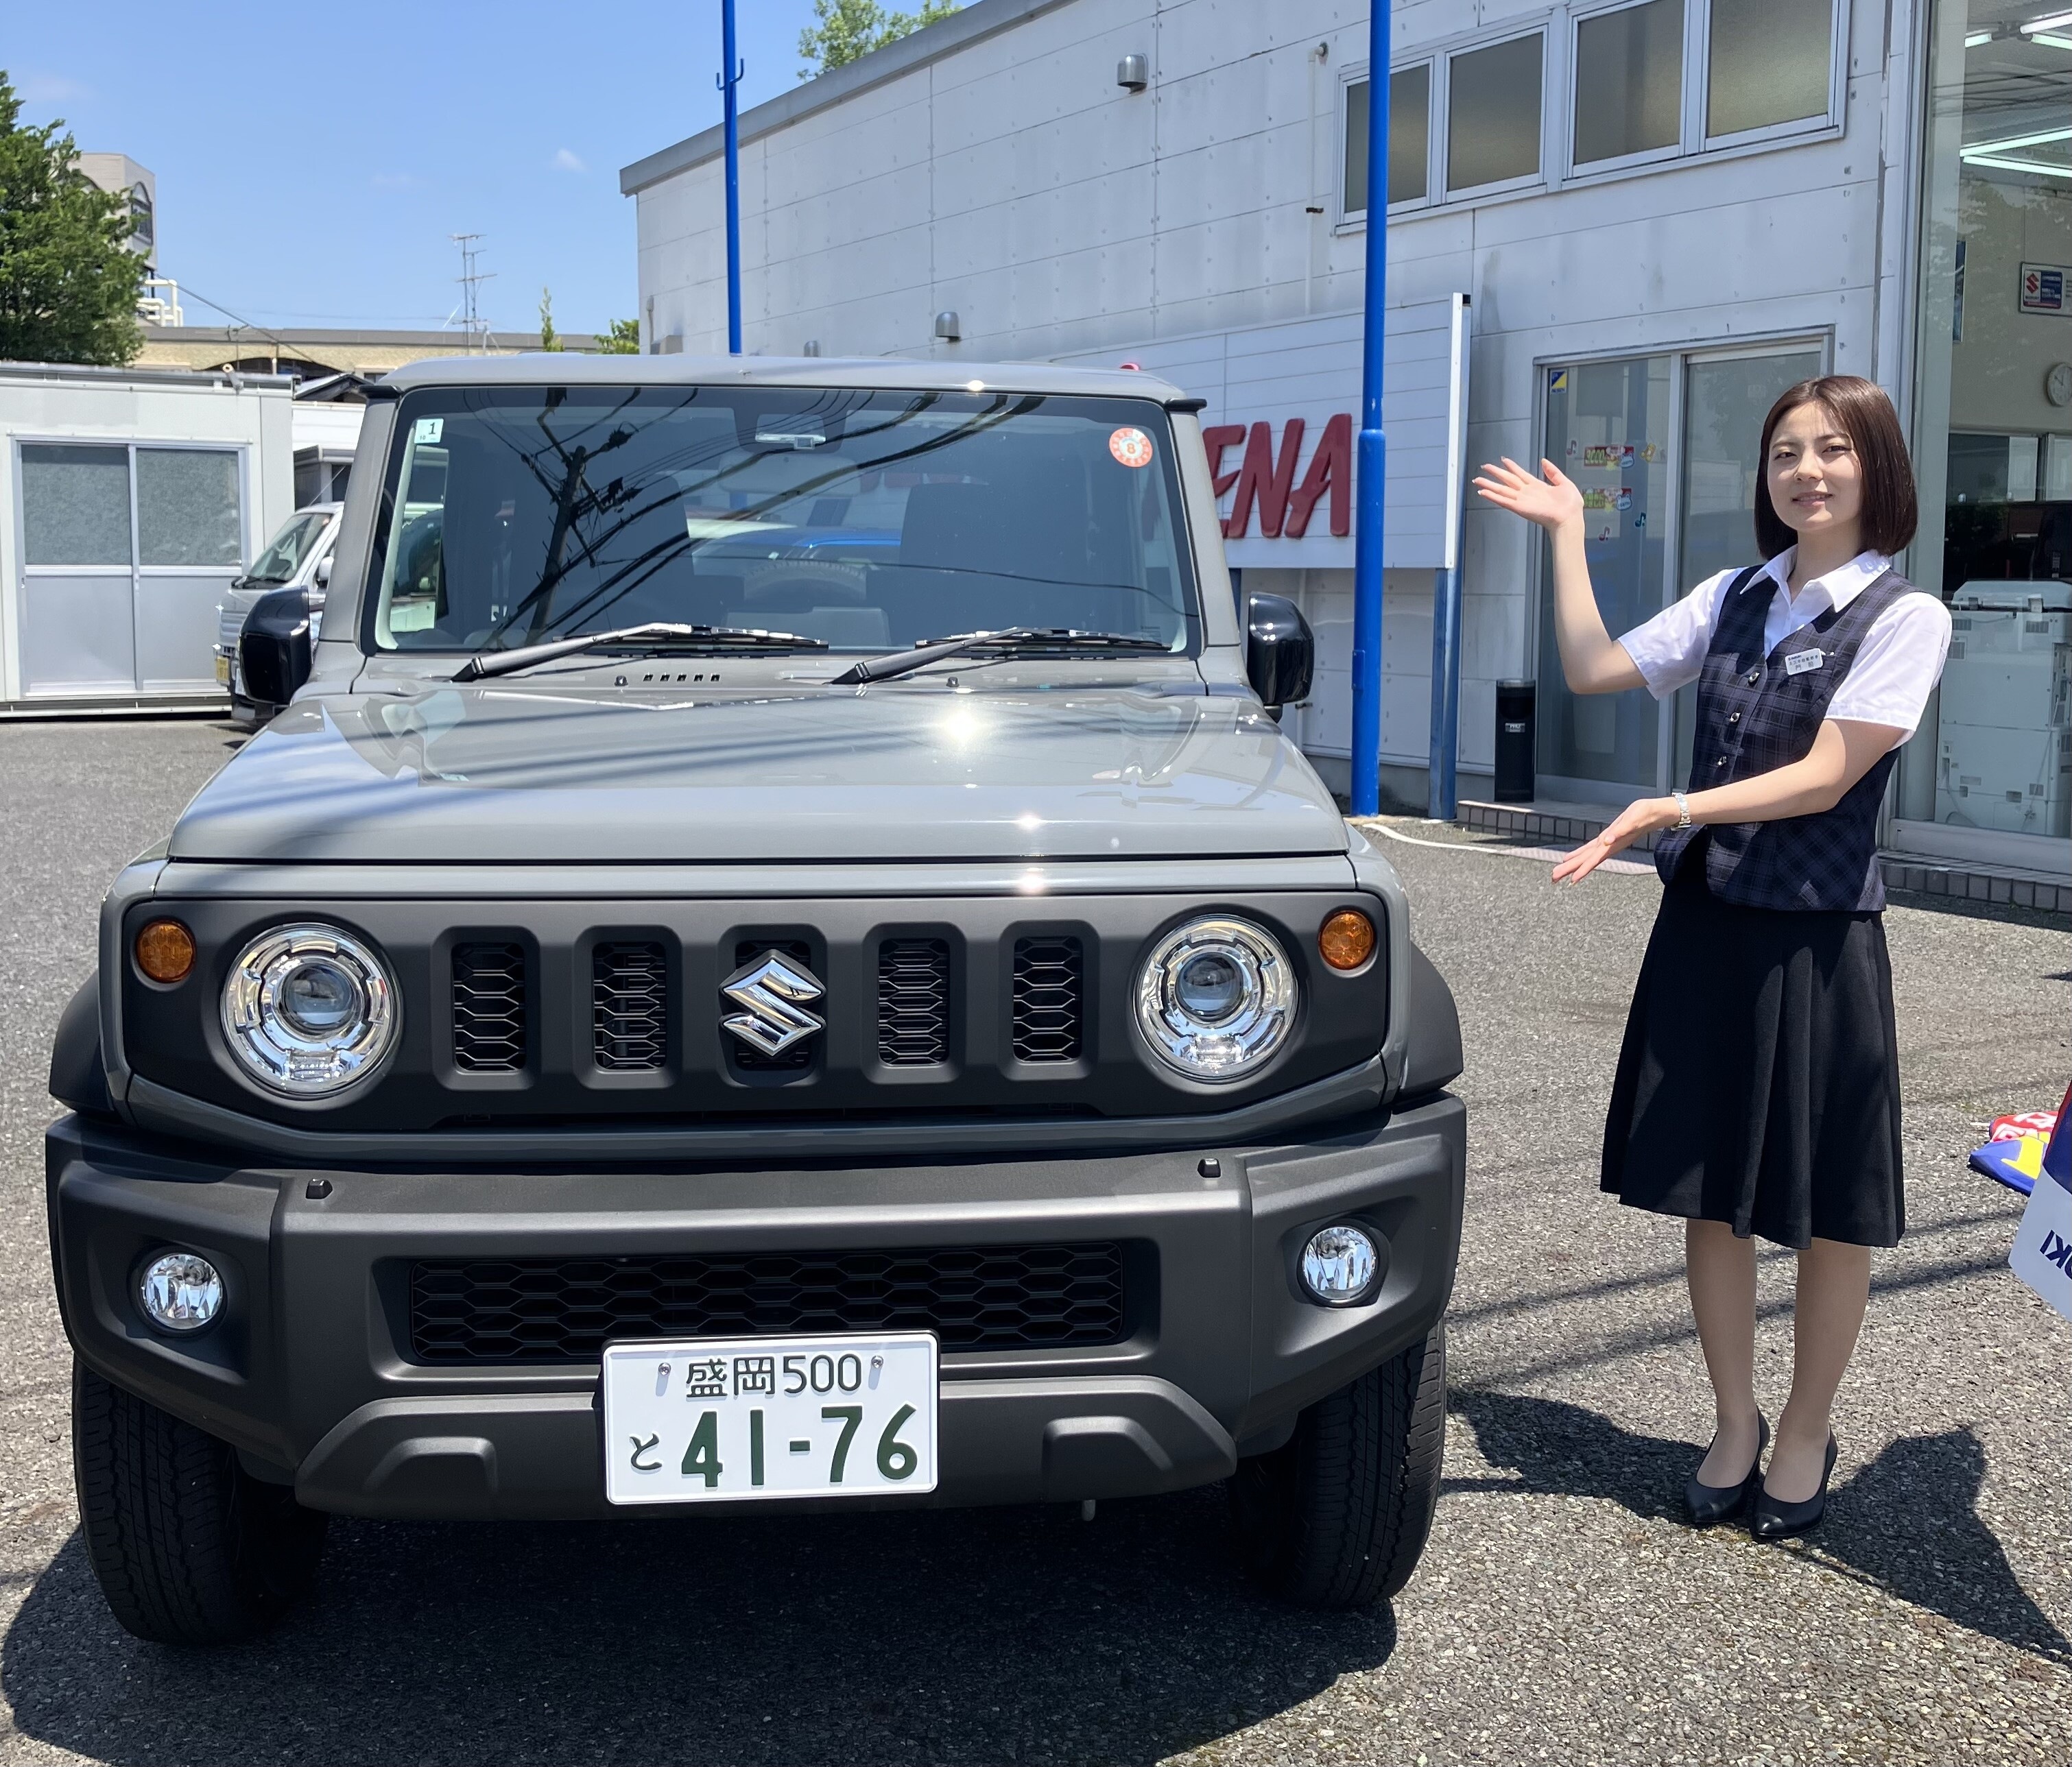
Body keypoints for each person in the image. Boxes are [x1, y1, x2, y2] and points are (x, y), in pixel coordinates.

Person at [1473, 375, 1951, 1539]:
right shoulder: (1734, 593)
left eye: (1831, 450)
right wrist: (1567, 535)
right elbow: (1592, 667)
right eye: (1785, 451)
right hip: (1707, 928)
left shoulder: (1906, 616)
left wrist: (1669, 806)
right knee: (1709, 1192)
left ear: (1876, 466)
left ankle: (1804, 1430)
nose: (1805, 471)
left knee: (1829, 1208)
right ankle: (1734, 1419)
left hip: (1819, 938)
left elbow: (1826, 775)